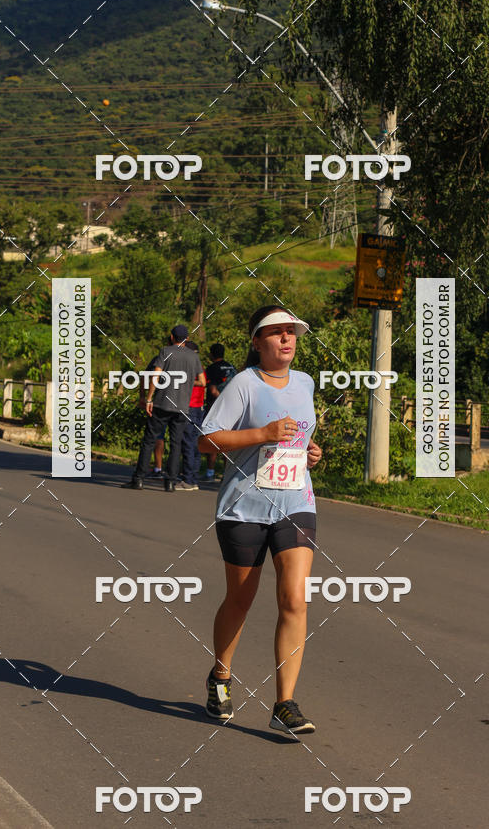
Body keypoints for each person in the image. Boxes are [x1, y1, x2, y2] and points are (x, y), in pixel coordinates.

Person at [198, 305, 322, 734]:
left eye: (291, 332)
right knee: (240, 600)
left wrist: (310, 453)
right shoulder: (243, 384)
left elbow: (299, 435)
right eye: (276, 333)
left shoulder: (305, 382)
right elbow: (206, 441)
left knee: (295, 599)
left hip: (296, 503)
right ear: (257, 341)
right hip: (244, 508)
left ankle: (285, 703)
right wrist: (263, 435)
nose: (286, 339)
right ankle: (220, 676)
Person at [123, 325, 205, 492]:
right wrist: (186, 383)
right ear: (187, 339)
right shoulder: (193, 357)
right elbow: (202, 381)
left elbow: (156, 375)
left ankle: (138, 479)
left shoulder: (165, 352)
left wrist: (149, 398)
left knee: (149, 440)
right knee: (175, 444)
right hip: (182, 406)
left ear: (172, 336)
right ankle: (170, 482)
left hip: (162, 403)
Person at [203, 343, 237, 481]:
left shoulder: (211, 369)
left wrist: (221, 403)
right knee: (228, 442)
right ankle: (227, 474)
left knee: (213, 439)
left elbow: (212, 390)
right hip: (233, 409)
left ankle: (210, 473)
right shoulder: (232, 368)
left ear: (212, 354)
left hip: (215, 408)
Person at [178, 340, 205, 490]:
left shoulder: (190, 368)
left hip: (190, 408)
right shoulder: (200, 367)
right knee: (195, 444)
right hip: (198, 408)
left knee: (188, 444)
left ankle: (188, 480)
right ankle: (193, 479)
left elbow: (201, 383)